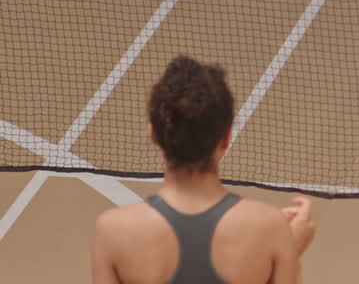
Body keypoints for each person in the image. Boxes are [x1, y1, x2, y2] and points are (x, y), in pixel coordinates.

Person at [91, 55, 316, 284]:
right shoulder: (269, 227)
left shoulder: (112, 231)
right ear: (226, 138)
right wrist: (288, 253)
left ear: (153, 134)